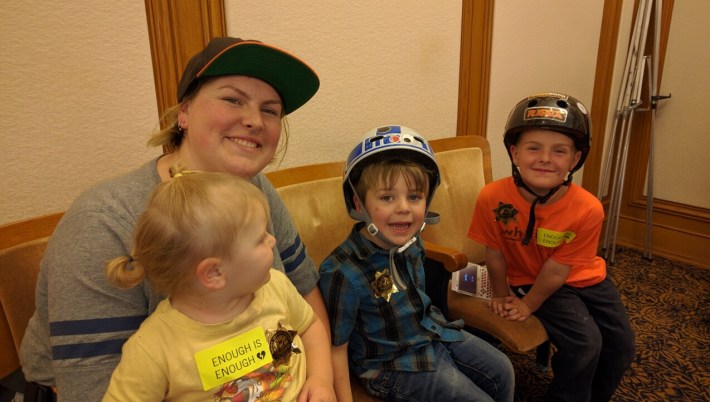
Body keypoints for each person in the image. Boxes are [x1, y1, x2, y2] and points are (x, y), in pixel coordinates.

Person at [20, 36, 330, 401]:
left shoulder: (255, 189)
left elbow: (305, 293)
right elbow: (90, 388)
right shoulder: (103, 221)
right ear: (184, 112)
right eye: (232, 99)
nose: (253, 121)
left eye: (270, 110)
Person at [319, 125, 515, 402]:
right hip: (387, 366)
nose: (404, 208)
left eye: (414, 196)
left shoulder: (411, 242)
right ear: (359, 203)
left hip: (429, 333)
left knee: (503, 370)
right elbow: (336, 347)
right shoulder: (341, 273)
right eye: (387, 197)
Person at [101, 169, 335, 401]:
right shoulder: (152, 350)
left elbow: (310, 326)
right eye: (260, 238)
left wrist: (321, 378)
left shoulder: (276, 285)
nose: (272, 240)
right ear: (214, 273)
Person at [467, 92, 635, 401]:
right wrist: (504, 295)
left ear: (575, 160)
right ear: (515, 154)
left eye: (559, 151)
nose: (545, 158)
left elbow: (560, 268)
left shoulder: (588, 208)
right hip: (533, 279)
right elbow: (495, 251)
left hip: (582, 276)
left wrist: (528, 307)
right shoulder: (491, 197)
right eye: (534, 148)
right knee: (585, 345)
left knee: (622, 346)